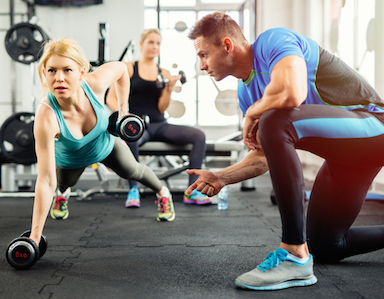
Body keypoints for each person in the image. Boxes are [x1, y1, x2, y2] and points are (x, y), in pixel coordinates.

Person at [186, 11, 384, 291]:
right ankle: (306, 251)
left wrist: (256, 113)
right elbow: (266, 155)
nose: (202, 65)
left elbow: (293, 92)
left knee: (274, 119)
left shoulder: (272, 42)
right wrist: (222, 177)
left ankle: (293, 254)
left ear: (227, 45)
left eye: (203, 54)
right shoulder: (247, 93)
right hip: (348, 157)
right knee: (326, 246)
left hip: (375, 127)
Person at [29, 37, 176, 247]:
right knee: (62, 184)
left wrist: (124, 109)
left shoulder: (95, 83)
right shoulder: (46, 117)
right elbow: (45, 180)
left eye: (67, 70)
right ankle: (63, 195)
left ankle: (164, 194)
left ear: (81, 72)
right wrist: (34, 237)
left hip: (105, 145)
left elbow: (122, 71)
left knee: (133, 170)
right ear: (44, 73)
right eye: (52, 70)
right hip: (72, 158)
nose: (59, 78)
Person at [106, 29, 211, 208]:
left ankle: (192, 192)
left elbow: (162, 107)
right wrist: (126, 117)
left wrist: (169, 88)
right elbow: (110, 98)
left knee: (198, 136)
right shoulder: (129, 68)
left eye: (158, 43)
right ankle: (133, 191)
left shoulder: (164, 72)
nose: (154, 46)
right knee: (130, 138)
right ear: (142, 44)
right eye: (150, 42)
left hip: (159, 124)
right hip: (138, 126)